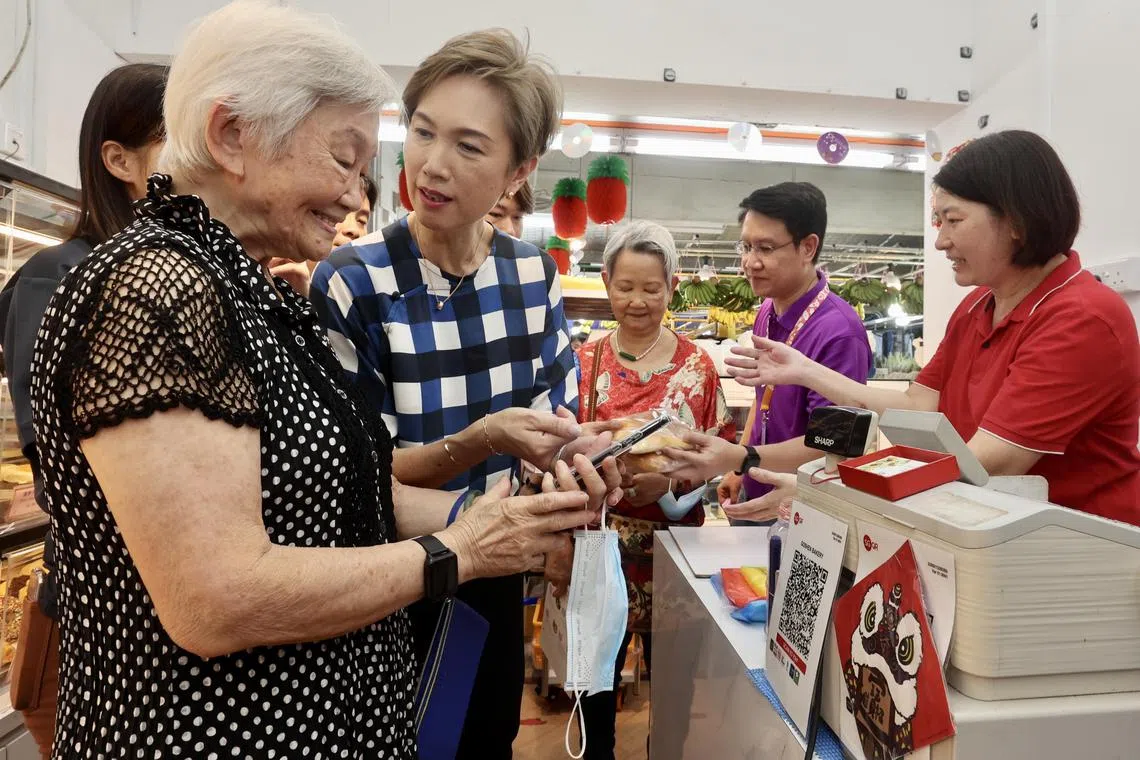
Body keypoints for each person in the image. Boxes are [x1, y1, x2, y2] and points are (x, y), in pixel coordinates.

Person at [27, 3, 619, 758]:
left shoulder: (242, 289)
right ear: (231, 136)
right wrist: (460, 550)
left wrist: (500, 519)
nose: (355, 196)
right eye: (344, 160)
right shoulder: (157, 291)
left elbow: (348, 490)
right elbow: (215, 597)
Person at [310, 29, 601, 759]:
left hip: (496, 572)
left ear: (519, 171)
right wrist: (482, 440)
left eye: (470, 147)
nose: (431, 165)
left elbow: (555, 418)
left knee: (482, 738)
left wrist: (582, 465)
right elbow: (359, 479)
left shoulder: (531, 275)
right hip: (387, 576)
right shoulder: (353, 281)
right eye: (422, 131)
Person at [724, 130, 1140, 524]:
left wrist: (819, 491)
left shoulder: (1082, 317)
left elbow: (985, 463)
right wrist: (803, 371)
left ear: (1016, 220)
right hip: (988, 535)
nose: (940, 242)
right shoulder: (977, 306)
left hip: (1079, 551)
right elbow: (919, 405)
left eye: (953, 221)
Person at [0, 61, 168, 760]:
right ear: (119, 159)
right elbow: (64, 468)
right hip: (109, 625)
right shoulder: (55, 276)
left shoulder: (175, 272)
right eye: (178, 142)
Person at [575, 220, 737, 760]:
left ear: (672, 285)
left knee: (673, 681)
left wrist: (666, 480)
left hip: (674, 556)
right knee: (597, 673)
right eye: (626, 287)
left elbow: (718, 456)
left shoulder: (697, 367)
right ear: (605, 282)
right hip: (603, 550)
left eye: (652, 288)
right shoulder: (587, 362)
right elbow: (566, 449)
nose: (638, 301)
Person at [670, 183, 871, 524]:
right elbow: (763, 399)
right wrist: (739, 468)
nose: (750, 262)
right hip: (757, 488)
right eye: (746, 246)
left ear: (808, 247)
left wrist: (744, 456)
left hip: (804, 507)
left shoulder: (839, 334)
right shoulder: (768, 310)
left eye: (765, 248)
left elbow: (830, 445)